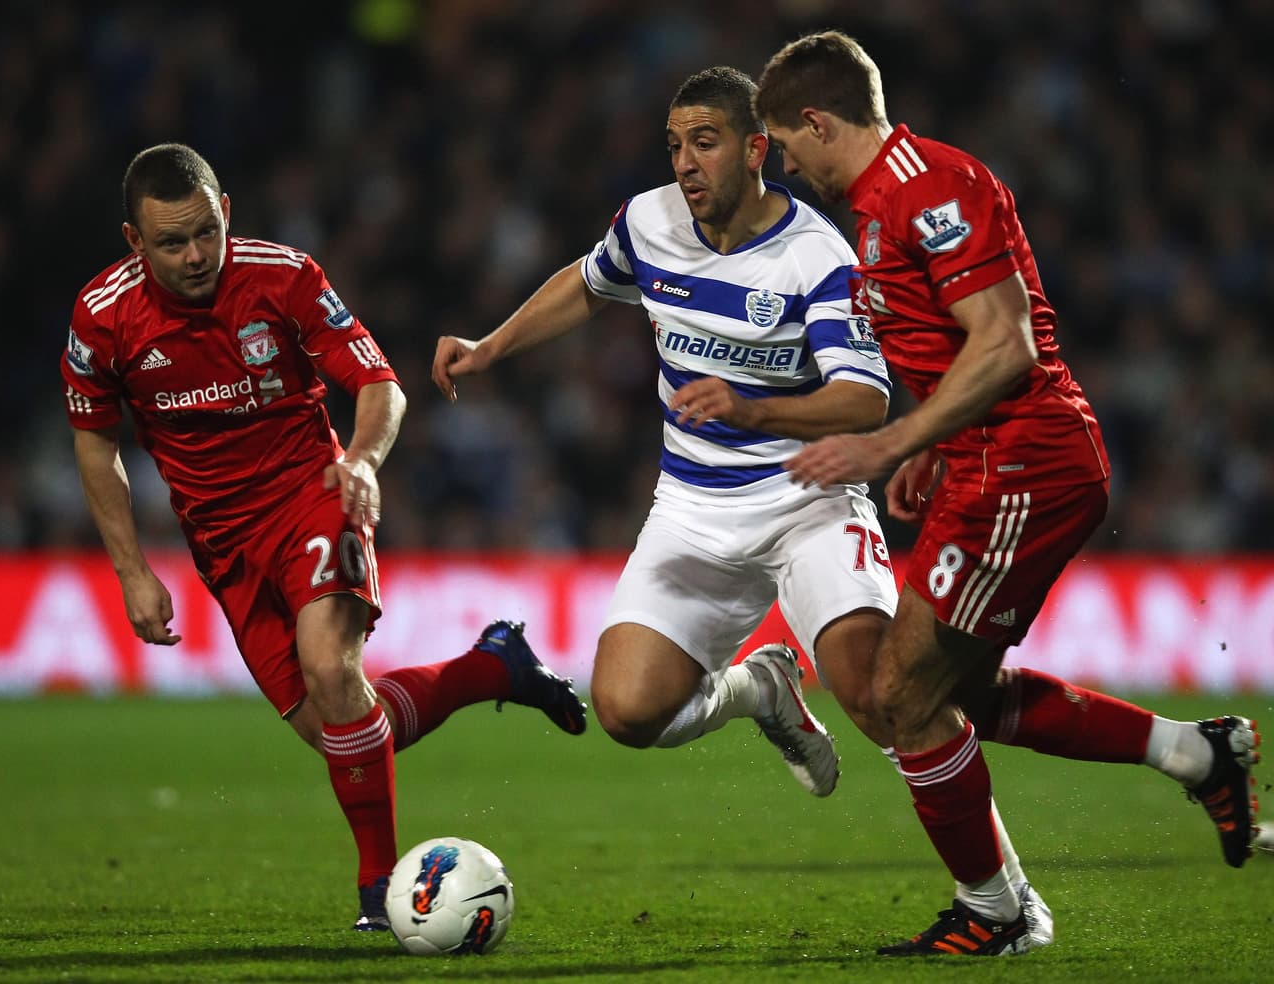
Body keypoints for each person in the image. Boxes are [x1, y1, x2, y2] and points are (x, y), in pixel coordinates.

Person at [432, 66, 1057, 947]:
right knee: (626, 713)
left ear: (758, 148)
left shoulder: (817, 257)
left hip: (809, 502)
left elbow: (864, 399)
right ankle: (759, 688)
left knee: (881, 696)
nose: (685, 163)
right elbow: (590, 281)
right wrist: (493, 345)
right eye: (674, 145)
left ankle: (1006, 899)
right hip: (692, 508)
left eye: (706, 142)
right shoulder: (647, 222)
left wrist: (750, 406)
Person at [755, 31, 1260, 956]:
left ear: (819, 123)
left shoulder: (929, 189)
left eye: (787, 145)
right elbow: (956, 349)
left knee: (900, 694)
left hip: (1026, 465)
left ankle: (996, 913)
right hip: (985, 463)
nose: (787, 167)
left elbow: (1004, 341)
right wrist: (934, 442)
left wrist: (896, 438)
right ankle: (1196, 752)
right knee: (956, 695)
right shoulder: (880, 205)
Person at [61, 143, 587, 932]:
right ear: (135, 242)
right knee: (343, 729)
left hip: (315, 496)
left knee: (330, 669)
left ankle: (378, 888)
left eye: (206, 232)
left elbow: (379, 382)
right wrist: (133, 571)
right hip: (223, 544)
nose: (197, 254)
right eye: (172, 242)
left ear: (225, 211)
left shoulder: (284, 277)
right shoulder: (102, 317)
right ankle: (493, 666)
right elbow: (95, 441)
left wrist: (363, 461)